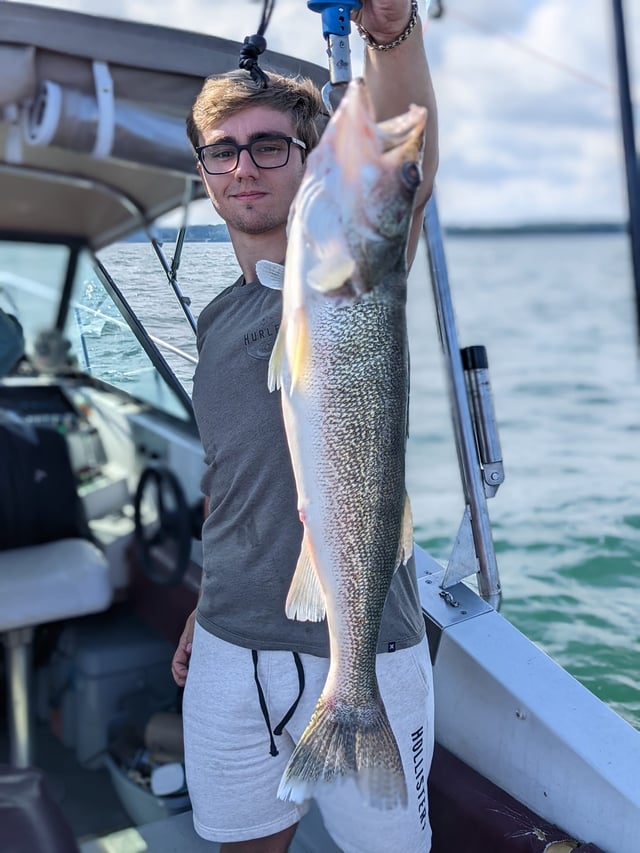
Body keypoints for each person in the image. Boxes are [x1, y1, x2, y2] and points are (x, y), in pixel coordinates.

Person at [171, 2, 439, 851]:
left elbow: (403, 147)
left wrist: (390, 32)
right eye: (224, 150)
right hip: (225, 645)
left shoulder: (358, 266)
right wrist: (201, 599)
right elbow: (233, 476)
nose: (244, 166)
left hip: (367, 651)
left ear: (311, 159)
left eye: (269, 146)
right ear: (206, 174)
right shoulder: (216, 321)